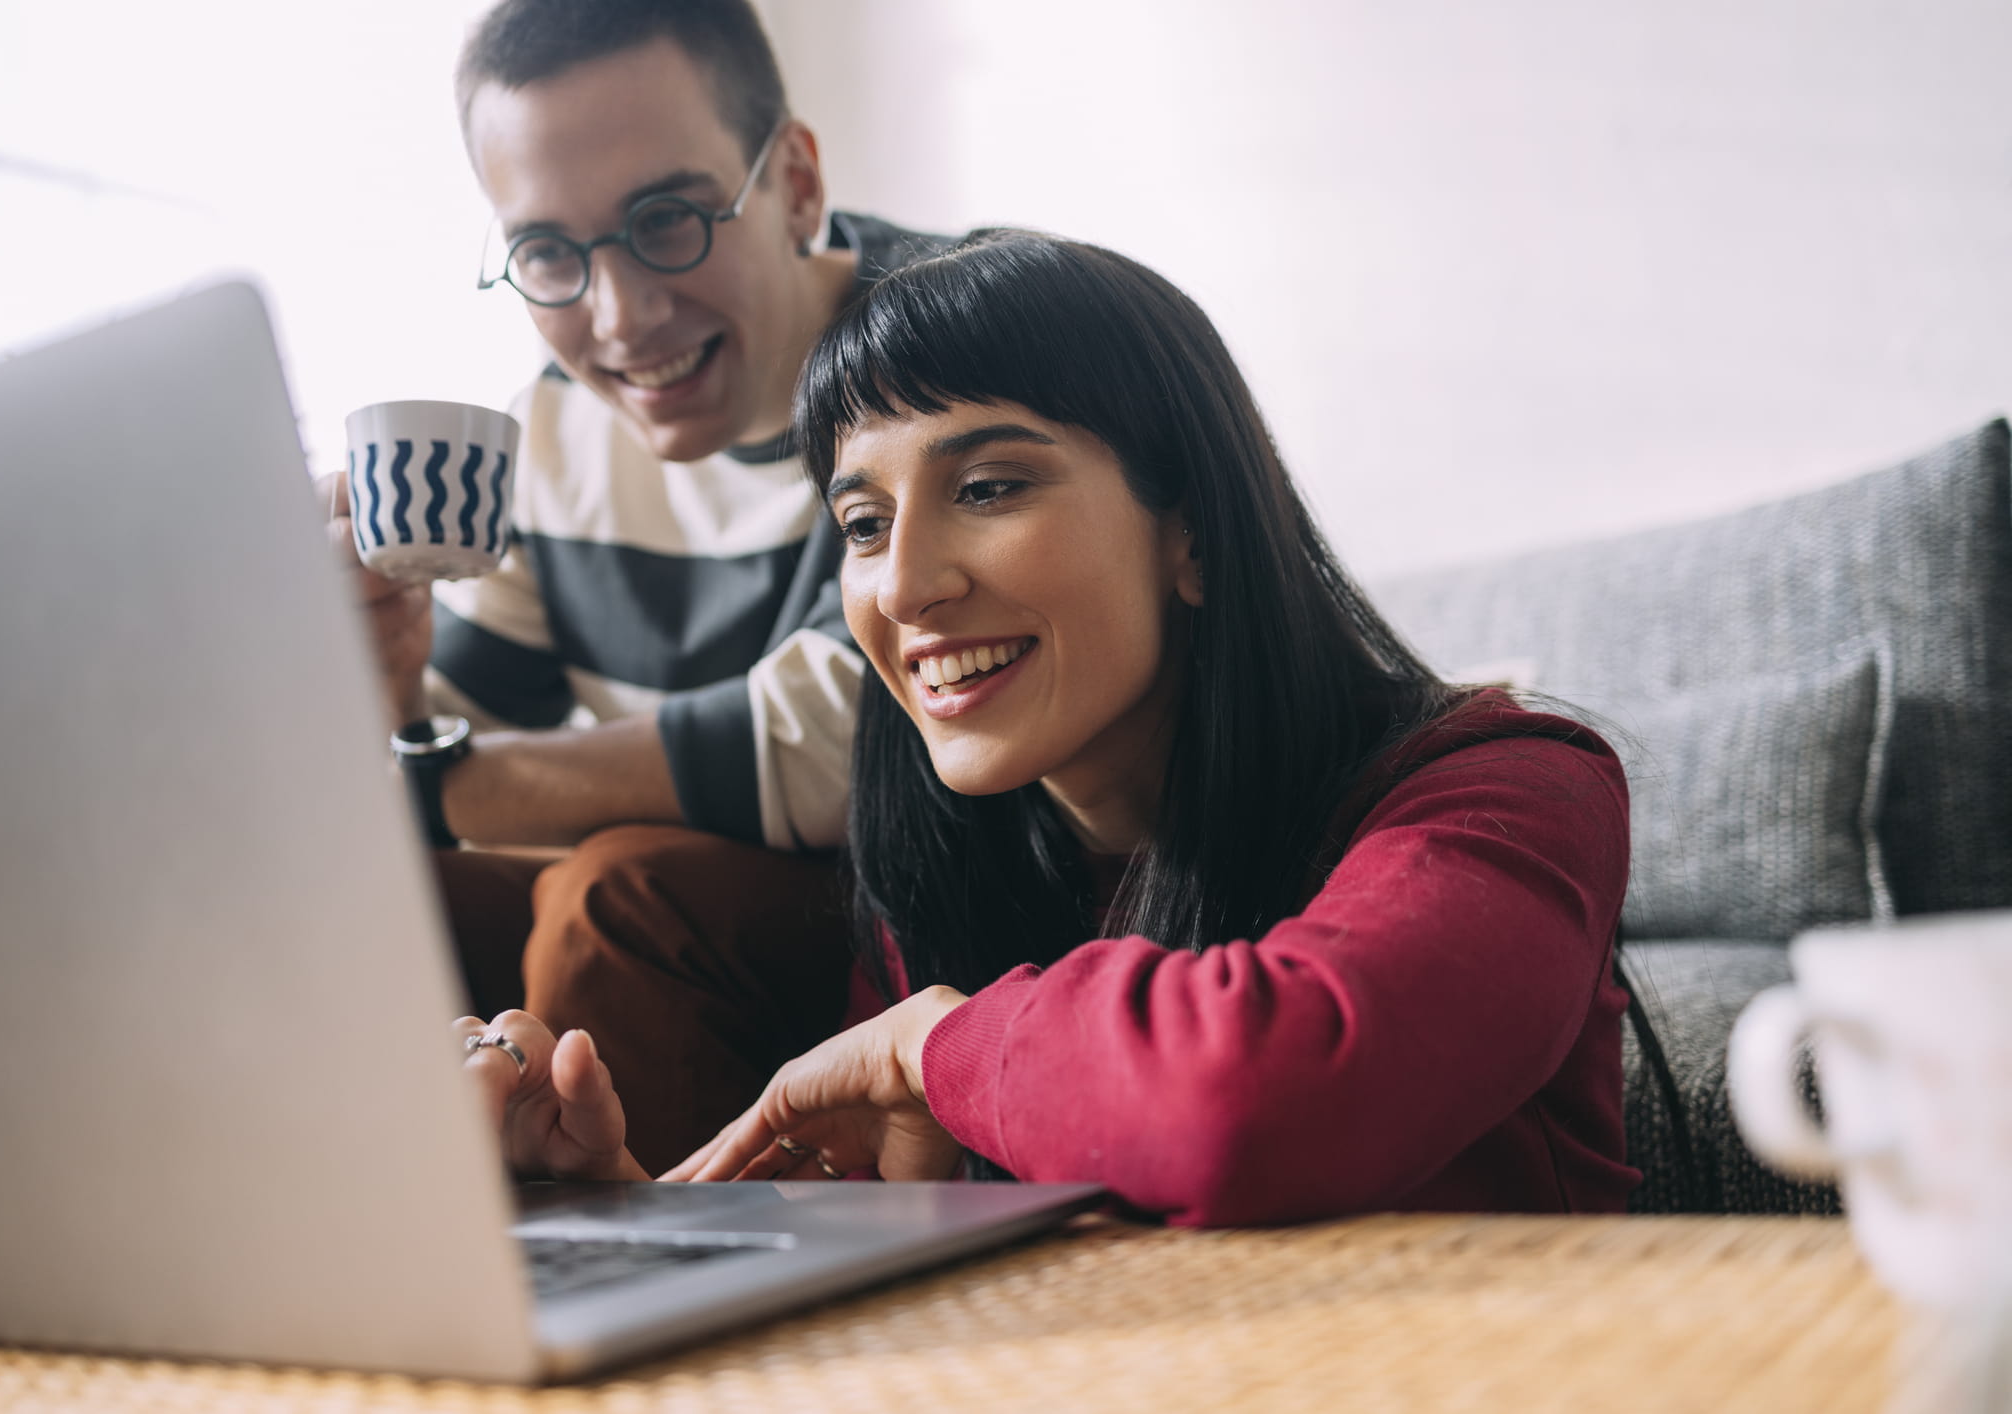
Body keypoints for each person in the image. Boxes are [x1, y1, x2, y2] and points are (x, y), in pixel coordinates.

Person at [453, 230, 1642, 1226]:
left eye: (986, 489)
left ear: (1192, 532)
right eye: (862, 524)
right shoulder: (951, 864)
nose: (904, 585)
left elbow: (1247, 1105)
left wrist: (938, 1047)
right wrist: (626, 1216)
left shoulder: (1511, 790)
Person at [323, 0, 949, 1173]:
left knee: (614, 898)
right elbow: (470, 753)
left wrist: (422, 783)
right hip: (702, 946)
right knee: (392, 903)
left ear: (796, 185)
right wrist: (393, 689)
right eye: (549, 254)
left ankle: (678, 1282)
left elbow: (824, 757)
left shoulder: (937, 341)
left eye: (665, 218)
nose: (619, 317)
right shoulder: (548, 435)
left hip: (921, 918)